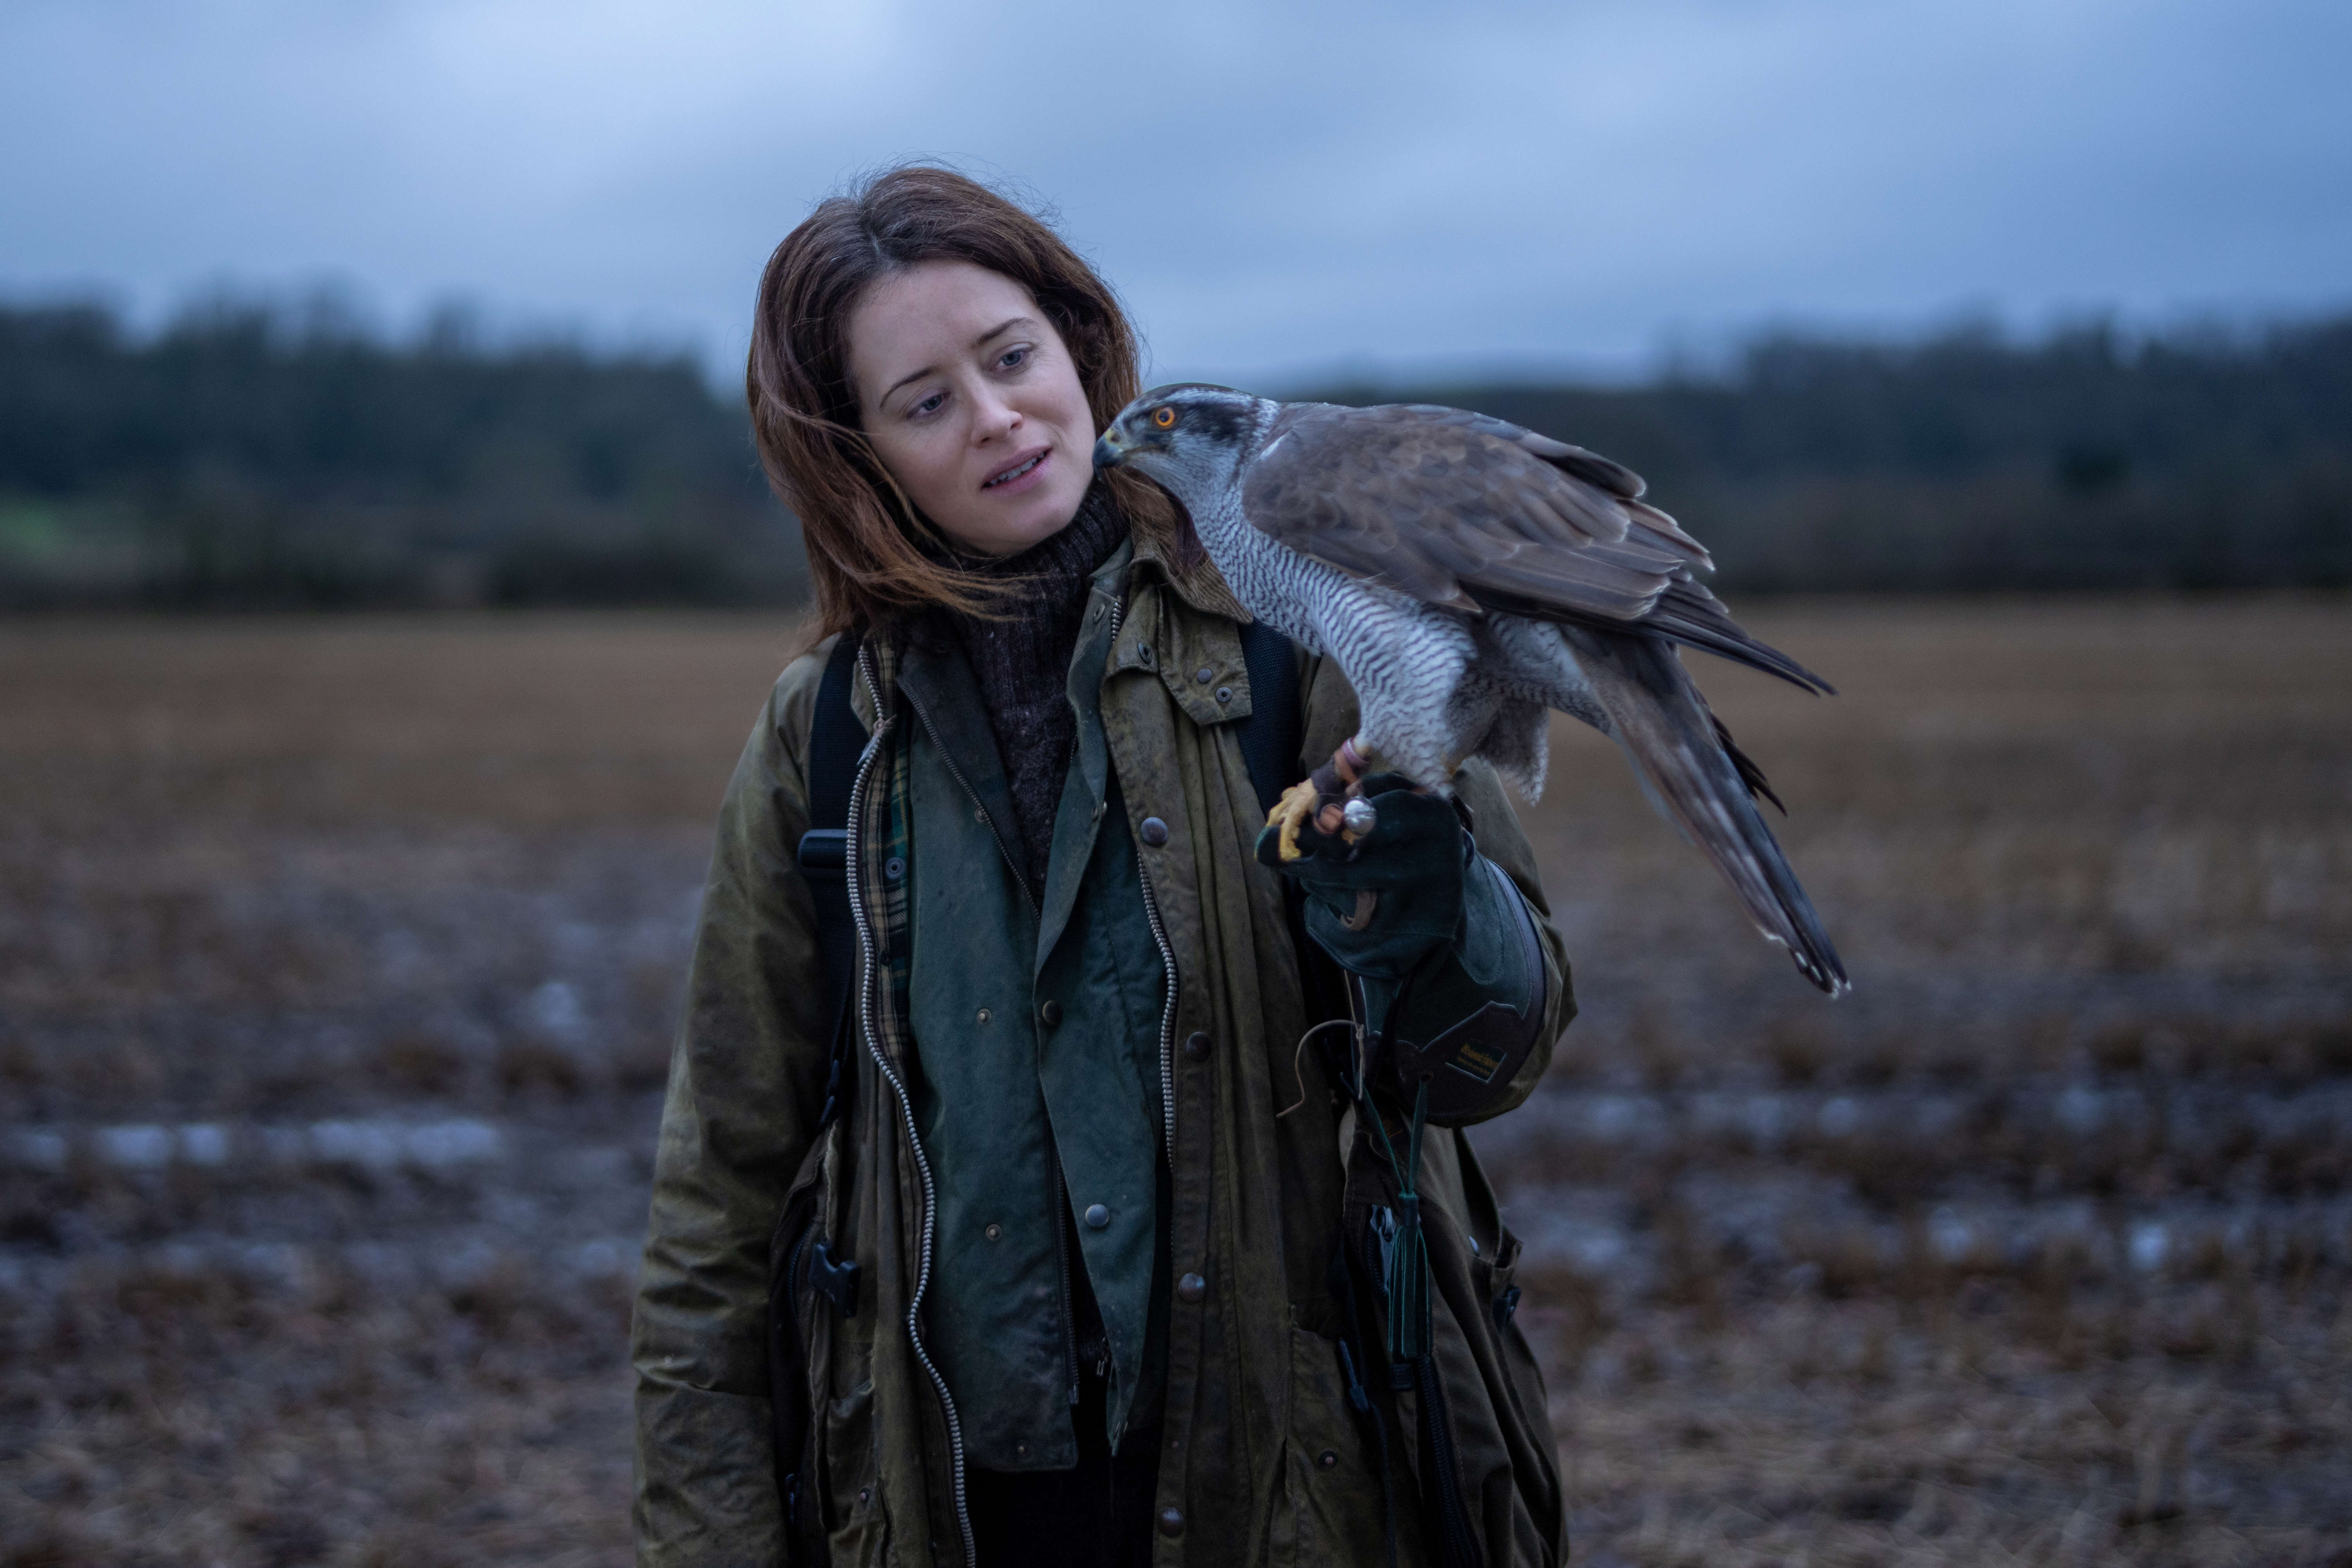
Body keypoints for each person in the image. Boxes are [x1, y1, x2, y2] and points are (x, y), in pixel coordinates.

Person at [630, 165, 1574, 1568]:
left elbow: (1499, 1054)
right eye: (925, 402)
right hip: (952, 1513)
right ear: (858, 458)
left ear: (1078, 347)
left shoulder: (1304, 633)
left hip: (1301, 1500)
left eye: (1011, 357)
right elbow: (719, 1203)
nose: (996, 416)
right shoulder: (826, 739)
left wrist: (1433, 917)